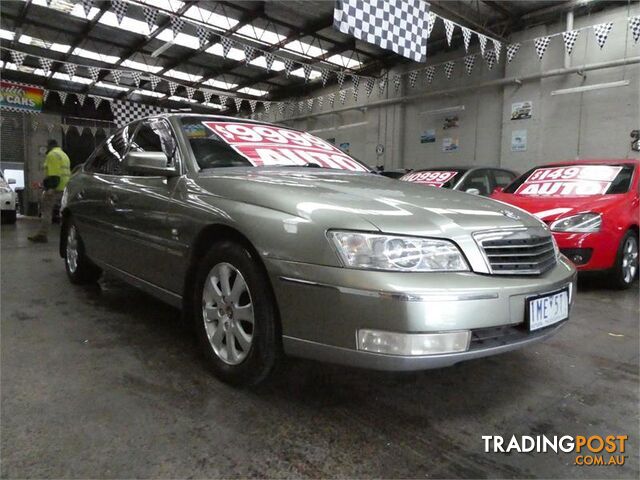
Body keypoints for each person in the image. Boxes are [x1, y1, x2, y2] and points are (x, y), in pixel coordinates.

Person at [28, 139, 71, 243]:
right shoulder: (64, 155)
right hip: (66, 188)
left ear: (49, 146)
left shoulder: (52, 155)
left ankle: (42, 235)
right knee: (65, 213)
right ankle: (68, 234)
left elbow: (54, 175)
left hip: (55, 188)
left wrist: (50, 188)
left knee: (46, 212)